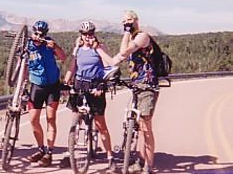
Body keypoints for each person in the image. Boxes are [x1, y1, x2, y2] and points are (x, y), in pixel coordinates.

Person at [60, 21, 116, 171]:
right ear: (81, 35)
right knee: (75, 120)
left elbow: (108, 66)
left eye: (90, 33)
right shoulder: (78, 48)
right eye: (84, 34)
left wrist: (102, 86)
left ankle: (110, 157)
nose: (87, 36)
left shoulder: (100, 47)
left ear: (94, 34)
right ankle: (70, 152)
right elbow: (73, 67)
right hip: (80, 84)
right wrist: (65, 83)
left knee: (100, 124)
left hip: (95, 84)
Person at [111, 10, 160, 174]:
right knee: (138, 126)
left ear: (137, 20)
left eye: (130, 19)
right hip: (136, 87)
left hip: (147, 87)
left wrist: (126, 33)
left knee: (146, 128)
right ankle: (139, 161)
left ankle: (149, 166)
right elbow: (119, 57)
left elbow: (124, 52)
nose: (127, 22)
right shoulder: (131, 38)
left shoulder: (142, 37)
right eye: (124, 20)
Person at [25, 20, 66, 167]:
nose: (38, 36)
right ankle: (40, 148)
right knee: (33, 120)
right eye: (36, 33)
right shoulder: (28, 45)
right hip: (37, 86)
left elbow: (63, 57)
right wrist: (23, 85)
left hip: (53, 86)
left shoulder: (49, 43)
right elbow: (23, 66)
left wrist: (56, 47)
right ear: (32, 32)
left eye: (41, 34)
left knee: (50, 119)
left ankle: (49, 152)